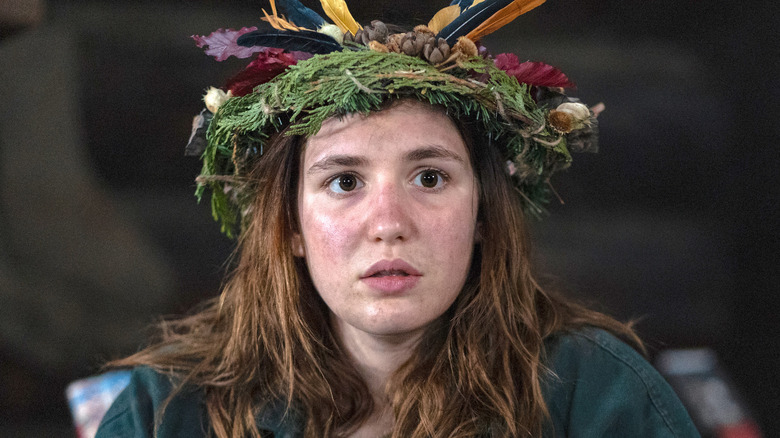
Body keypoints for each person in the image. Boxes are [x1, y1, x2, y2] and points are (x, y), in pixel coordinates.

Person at [96, 1, 700, 437]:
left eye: (430, 178)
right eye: (344, 182)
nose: (388, 223)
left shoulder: (594, 394)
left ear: (484, 214)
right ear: (291, 227)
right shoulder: (167, 411)